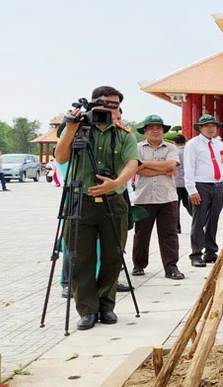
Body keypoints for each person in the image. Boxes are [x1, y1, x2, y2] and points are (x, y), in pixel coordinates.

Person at [54, 86, 140, 330]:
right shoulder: (75, 127)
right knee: (80, 257)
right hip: (79, 200)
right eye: (103, 103)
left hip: (114, 201)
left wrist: (116, 183)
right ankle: (87, 310)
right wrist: (70, 128)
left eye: (113, 105)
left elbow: (132, 162)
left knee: (114, 255)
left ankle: (106, 305)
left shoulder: (124, 134)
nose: (108, 108)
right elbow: (61, 158)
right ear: (92, 103)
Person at [131, 115, 184, 280]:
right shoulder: (137, 148)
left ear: (163, 131)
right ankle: (139, 264)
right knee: (141, 234)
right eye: (151, 128)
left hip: (167, 197)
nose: (155, 131)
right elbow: (137, 169)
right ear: (145, 131)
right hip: (144, 196)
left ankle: (171, 267)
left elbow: (171, 165)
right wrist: (163, 170)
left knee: (169, 233)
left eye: (159, 128)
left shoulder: (170, 147)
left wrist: (145, 164)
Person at [184, 114, 223, 267]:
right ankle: (196, 253)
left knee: (213, 220)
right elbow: (189, 168)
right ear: (201, 128)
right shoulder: (193, 144)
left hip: (217, 185)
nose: (211, 128)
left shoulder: (219, 145)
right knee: (199, 220)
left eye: (214, 126)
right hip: (201, 185)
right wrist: (191, 190)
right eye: (207, 126)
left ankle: (210, 251)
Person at [173, 134, 192, 233]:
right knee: (188, 203)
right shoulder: (189, 152)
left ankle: (177, 227)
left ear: (174, 142)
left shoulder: (175, 153)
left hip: (176, 182)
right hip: (188, 182)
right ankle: (198, 220)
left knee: (176, 206)